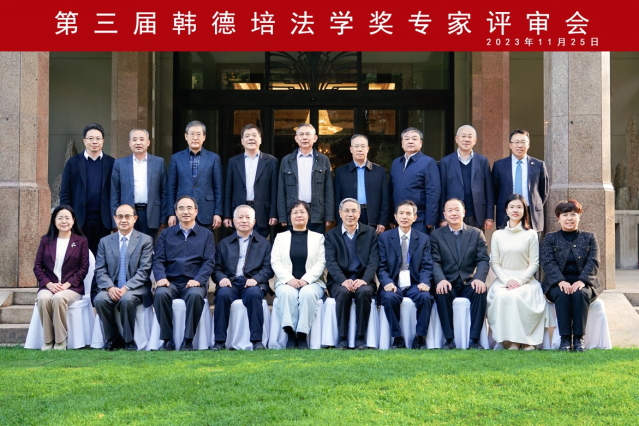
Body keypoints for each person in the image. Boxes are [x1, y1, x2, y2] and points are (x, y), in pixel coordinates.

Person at [486, 194, 553, 350]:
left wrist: (521, 280)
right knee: (503, 296)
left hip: (526, 280)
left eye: (519, 207)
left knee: (521, 296)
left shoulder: (531, 234)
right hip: (503, 280)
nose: (515, 210)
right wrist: (507, 281)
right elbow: (495, 262)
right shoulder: (498, 235)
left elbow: (534, 263)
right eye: (512, 207)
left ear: (524, 211)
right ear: (506, 210)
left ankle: (526, 341)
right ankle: (511, 342)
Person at [152, 196, 216, 351]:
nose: (185, 212)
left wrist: (198, 279)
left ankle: (188, 340)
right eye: (181, 208)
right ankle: (168, 340)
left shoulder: (206, 234)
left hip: (194, 282)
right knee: (160, 294)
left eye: (189, 208)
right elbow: (158, 260)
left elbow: (209, 262)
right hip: (171, 282)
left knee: (195, 296)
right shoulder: (166, 234)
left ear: (196, 211)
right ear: (176, 212)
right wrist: (161, 278)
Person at [540, 199, 602, 352]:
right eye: (565, 215)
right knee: (562, 294)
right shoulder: (550, 238)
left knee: (580, 294)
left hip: (584, 283)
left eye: (573, 214)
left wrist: (582, 280)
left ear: (579, 216)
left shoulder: (590, 237)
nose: (569, 218)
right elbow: (547, 262)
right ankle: (565, 339)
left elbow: (594, 261)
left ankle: (578, 339)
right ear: (558, 218)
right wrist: (560, 280)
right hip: (556, 283)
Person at [212, 205, 274, 351]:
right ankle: (219, 341)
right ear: (234, 221)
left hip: (253, 283)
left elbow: (269, 268)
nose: (244, 220)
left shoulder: (264, 244)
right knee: (223, 295)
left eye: (248, 217)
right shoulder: (224, 244)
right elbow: (215, 268)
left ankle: (257, 341)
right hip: (230, 282)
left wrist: (256, 279)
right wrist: (221, 278)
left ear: (254, 222)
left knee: (253, 295)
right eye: (240, 217)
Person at [94, 204, 154, 351]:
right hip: (112, 286)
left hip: (136, 287)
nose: (124, 220)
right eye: (120, 216)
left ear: (135, 218)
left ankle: (129, 340)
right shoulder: (105, 242)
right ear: (115, 219)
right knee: (100, 299)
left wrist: (126, 287)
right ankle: (113, 338)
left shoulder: (145, 240)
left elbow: (144, 271)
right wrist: (110, 287)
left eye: (128, 216)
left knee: (127, 299)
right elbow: (100, 269)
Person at [431, 198, 489, 350]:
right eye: (449, 210)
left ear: (464, 212)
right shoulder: (436, 235)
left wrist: (479, 278)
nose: (454, 213)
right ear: (444, 214)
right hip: (448, 281)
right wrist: (441, 280)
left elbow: (483, 259)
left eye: (457, 210)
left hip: (468, 282)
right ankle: (449, 340)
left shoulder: (476, 233)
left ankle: (474, 340)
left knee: (480, 291)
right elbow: (435, 261)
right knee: (441, 291)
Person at [378, 200, 434, 349]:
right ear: (395, 216)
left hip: (415, 283)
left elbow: (427, 265)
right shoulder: (384, 238)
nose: (404, 216)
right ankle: (397, 338)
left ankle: (420, 338)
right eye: (401, 213)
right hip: (394, 282)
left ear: (415, 218)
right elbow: (381, 266)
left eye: (408, 213)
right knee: (389, 297)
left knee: (425, 297)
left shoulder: (423, 238)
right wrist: (387, 282)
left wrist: (424, 282)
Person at [325, 198, 379, 349]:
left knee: (363, 292)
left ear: (359, 213)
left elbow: (374, 260)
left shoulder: (370, 233)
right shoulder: (331, 235)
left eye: (354, 211)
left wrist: (365, 279)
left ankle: (360, 338)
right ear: (340, 213)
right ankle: (342, 338)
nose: (350, 214)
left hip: (363, 280)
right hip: (339, 281)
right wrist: (343, 280)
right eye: (346, 211)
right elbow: (331, 262)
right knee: (343, 293)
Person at [33, 205, 89, 350]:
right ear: (54, 221)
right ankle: (48, 340)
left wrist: (67, 285)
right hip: (49, 286)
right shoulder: (46, 240)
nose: (64, 221)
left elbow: (84, 268)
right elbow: (37, 266)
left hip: (72, 288)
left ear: (73, 220)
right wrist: (49, 284)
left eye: (67, 218)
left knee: (59, 298)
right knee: (43, 298)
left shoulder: (81, 241)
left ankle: (60, 341)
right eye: (60, 218)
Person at [271, 201, 326, 349]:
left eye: (302, 212)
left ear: (308, 215)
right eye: (295, 212)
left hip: (313, 282)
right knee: (287, 293)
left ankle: (302, 335)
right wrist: (289, 279)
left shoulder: (319, 237)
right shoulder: (280, 237)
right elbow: (275, 261)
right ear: (290, 217)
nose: (299, 215)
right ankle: (290, 334)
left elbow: (321, 262)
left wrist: (305, 280)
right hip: (286, 282)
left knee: (307, 294)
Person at [60, 123, 115, 255]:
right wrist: (66, 218)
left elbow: (116, 193)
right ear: (84, 140)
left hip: (104, 221)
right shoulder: (72, 163)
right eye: (90, 138)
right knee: (79, 258)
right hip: (79, 220)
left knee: (101, 258)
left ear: (103, 141)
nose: (94, 141)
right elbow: (65, 193)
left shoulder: (112, 163)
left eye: (98, 138)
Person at [110, 129, 168, 240]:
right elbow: (114, 194)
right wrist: (115, 220)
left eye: (142, 139)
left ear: (148, 142)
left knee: (149, 247)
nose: (138, 143)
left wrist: (163, 218)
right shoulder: (119, 164)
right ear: (129, 143)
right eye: (134, 139)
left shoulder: (159, 162)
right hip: (126, 214)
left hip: (151, 213)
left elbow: (164, 192)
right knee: (128, 247)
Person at [223, 124, 278, 239]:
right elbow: (228, 190)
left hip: (262, 213)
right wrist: (227, 215)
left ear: (260, 140)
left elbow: (274, 190)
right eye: (247, 136)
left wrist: (273, 213)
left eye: (254, 135)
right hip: (239, 211)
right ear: (242, 141)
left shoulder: (271, 161)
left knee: (260, 245)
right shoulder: (233, 162)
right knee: (239, 245)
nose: (251, 138)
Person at [277, 123, 334, 234]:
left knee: (316, 243)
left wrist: (329, 216)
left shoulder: (323, 160)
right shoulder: (286, 160)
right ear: (296, 138)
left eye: (308, 134)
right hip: (294, 211)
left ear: (315, 138)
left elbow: (328, 190)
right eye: (301, 134)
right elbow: (281, 189)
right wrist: (282, 216)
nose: (304, 137)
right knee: (295, 243)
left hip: (317, 212)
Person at [167, 120, 223, 231]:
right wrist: (171, 213)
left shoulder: (213, 158)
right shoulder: (176, 158)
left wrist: (218, 212)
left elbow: (218, 188)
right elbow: (171, 188)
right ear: (186, 136)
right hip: (182, 212)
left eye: (198, 134)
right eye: (192, 134)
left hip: (207, 212)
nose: (195, 138)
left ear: (204, 137)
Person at [438, 125, 494, 232]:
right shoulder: (446, 162)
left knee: (476, 241)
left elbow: (489, 190)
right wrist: (442, 217)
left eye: (470, 136)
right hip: (453, 214)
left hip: (477, 214)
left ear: (475, 140)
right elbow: (442, 191)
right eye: (463, 136)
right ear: (456, 139)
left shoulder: (482, 161)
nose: (466, 139)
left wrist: (489, 217)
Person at [492, 129, 549, 232]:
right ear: (510, 145)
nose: (519, 145)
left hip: (531, 212)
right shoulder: (499, 165)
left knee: (532, 241)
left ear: (528, 144)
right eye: (516, 142)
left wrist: (534, 203)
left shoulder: (539, 165)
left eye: (523, 142)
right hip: (507, 213)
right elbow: (495, 190)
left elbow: (543, 191)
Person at [389, 127, 441, 234]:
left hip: (419, 218)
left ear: (420, 143)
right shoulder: (396, 163)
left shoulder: (428, 162)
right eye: (407, 139)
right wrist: (391, 217)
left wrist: (430, 219)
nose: (410, 141)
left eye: (414, 139)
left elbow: (433, 192)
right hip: (399, 217)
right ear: (402, 143)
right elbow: (391, 190)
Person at [334, 134, 389, 234]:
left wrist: (382, 221)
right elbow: (337, 200)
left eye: (363, 146)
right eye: (356, 146)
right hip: (349, 216)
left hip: (372, 217)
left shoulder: (379, 171)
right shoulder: (341, 172)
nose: (360, 149)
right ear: (351, 149)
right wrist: (339, 222)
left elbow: (385, 199)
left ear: (367, 149)